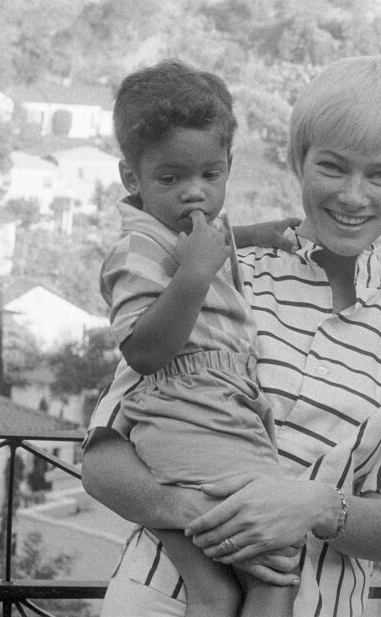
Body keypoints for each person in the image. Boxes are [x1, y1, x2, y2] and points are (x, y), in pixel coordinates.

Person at [82, 55, 381, 617]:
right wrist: (210, 517)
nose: (354, 196)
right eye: (332, 167)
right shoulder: (213, 271)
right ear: (298, 161)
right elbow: (103, 464)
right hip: (160, 599)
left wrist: (313, 507)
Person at [99, 59, 297, 617]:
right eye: (171, 179)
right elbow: (142, 350)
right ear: (131, 178)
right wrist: (194, 277)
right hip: (194, 413)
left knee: (215, 590)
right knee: (276, 568)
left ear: (229, 167)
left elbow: (215, 238)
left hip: (209, 414)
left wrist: (263, 235)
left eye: (210, 176)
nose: (195, 195)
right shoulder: (136, 252)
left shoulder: (187, 235)